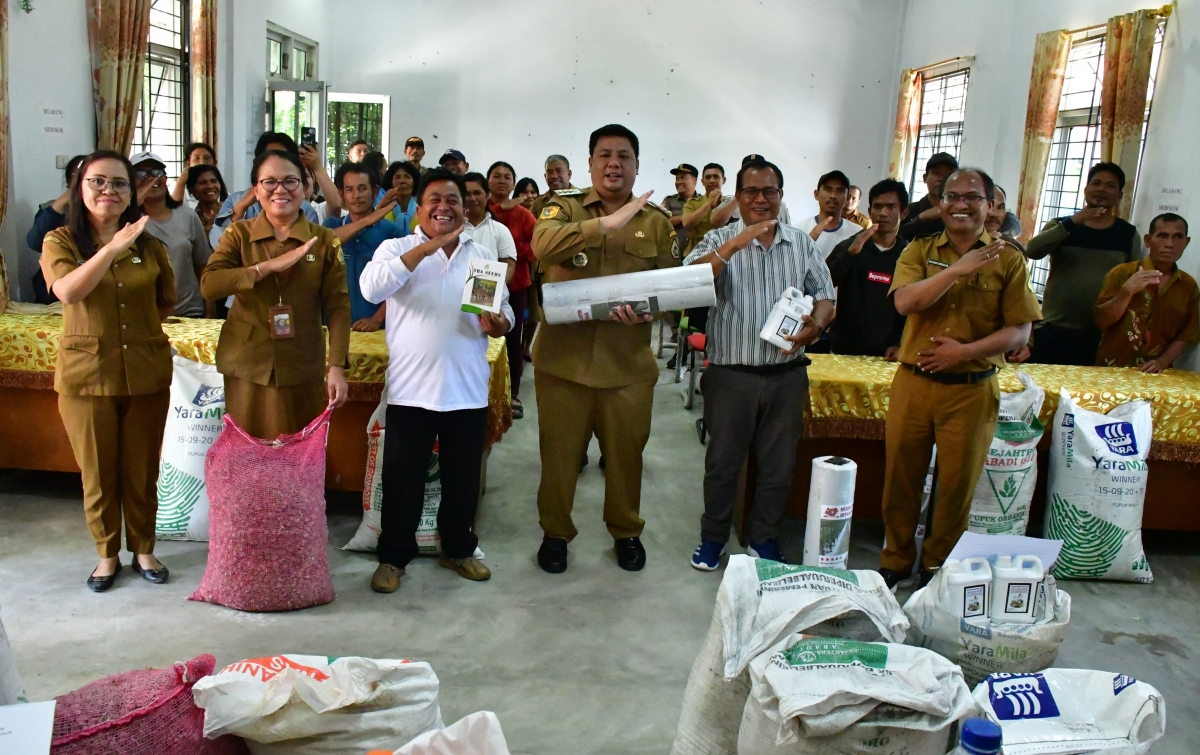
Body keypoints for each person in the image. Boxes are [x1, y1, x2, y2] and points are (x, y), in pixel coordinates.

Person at [879, 168, 1042, 590]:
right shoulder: (918, 248)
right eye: (952, 196)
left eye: (972, 197)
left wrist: (964, 352)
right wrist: (958, 269)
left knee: (956, 489)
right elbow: (904, 302)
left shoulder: (1009, 259)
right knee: (900, 479)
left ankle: (937, 566)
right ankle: (895, 560)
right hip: (914, 385)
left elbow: (1020, 330)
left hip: (972, 390)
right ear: (940, 203)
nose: (961, 205)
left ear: (989, 206)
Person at [531, 123, 678, 574]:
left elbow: (671, 291)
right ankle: (555, 533)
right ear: (591, 162)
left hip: (627, 365)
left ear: (636, 165)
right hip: (562, 364)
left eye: (624, 156)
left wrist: (652, 312)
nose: (614, 164)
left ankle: (626, 531)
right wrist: (605, 224)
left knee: (626, 457)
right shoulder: (562, 207)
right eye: (605, 155)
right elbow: (542, 245)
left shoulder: (656, 222)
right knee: (558, 457)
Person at [359, 169, 513, 593]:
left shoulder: (479, 255)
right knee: (402, 481)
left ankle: (458, 549)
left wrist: (499, 322)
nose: (443, 207)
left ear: (465, 207)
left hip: (465, 389)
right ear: (420, 207)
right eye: (434, 200)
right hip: (411, 391)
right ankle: (393, 558)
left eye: (452, 199)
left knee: (462, 481)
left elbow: (501, 313)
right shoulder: (398, 248)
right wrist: (428, 249)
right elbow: (372, 289)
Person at [683, 158, 835, 569]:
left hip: (786, 376)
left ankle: (763, 538)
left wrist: (815, 327)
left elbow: (825, 295)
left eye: (770, 191)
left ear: (781, 196)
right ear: (738, 197)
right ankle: (712, 539)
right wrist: (735, 244)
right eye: (751, 191)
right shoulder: (719, 238)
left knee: (778, 466)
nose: (761, 199)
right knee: (722, 464)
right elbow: (688, 283)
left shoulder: (801, 243)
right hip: (732, 376)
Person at [40, 150, 176, 591]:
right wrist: (113, 248)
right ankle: (106, 554)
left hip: (144, 372)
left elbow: (165, 302)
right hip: (86, 377)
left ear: (130, 192)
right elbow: (68, 290)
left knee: (141, 470)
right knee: (98, 472)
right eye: (98, 182)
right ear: (80, 188)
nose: (108, 191)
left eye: (119, 183)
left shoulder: (151, 245)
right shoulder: (59, 241)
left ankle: (144, 549)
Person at [200, 149, 351, 440]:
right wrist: (263, 268)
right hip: (247, 363)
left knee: (295, 454)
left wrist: (336, 367)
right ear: (256, 190)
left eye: (290, 181)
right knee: (248, 453)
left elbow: (338, 307)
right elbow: (210, 285)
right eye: (269, 182)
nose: (280, 190)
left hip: (302, 364)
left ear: (305, 188)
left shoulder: (324, 241)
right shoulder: (238, 235)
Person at [1024, 162, 1143, 366]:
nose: (1101, 189)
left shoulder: (1128, 234)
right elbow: (1032, 251)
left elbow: (1132, 280)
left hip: (1101, 332)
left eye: (1109, 185)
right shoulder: (1062, 225)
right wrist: (1073, 222)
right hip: (1054, 328)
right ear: (1086, 190)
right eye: (1096, 183)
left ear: (1120, 195)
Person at [1094, 213, 1199, 372]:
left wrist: (1163, 362)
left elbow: (1187, 334)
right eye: (1162, 236)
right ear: (1148, 240)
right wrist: (1127, 291)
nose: (1170, 244)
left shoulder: (1188, 285)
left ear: (1186, 242)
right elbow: (1101, 321)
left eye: (1178, 236)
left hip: (1155, 374)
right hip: (1111, 369)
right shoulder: (1122, 273)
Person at [827, 179, 909, 359]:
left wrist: (899, 342)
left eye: (891, 207)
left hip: (887, 355)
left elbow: (913, 305)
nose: (883, 213)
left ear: (903, 212)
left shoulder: (909, 254)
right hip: (844, 350)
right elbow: (823, 283)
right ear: (870, 211)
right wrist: (849, 255)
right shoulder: (851, 245)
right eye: (877, 207)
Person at [323, 162, 405, 332]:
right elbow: (325, 244)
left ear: (375, 192)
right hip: (333, 324)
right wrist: (366, 221)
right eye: (349, 189)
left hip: (379, 327)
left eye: (362, 189)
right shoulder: (332, 225)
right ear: (341, 193)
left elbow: (403, 283)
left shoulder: (392, 232)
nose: (356, 195)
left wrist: (377, 319)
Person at [132, 152, 212, 319]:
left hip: (190, 313)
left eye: (157, 173)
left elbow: (203, 267)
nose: (151, 179)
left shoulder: (188, 216)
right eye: (141, 174)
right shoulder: (127, 221)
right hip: (145, 316)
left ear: (165, 178)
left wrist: (210, 312)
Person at [486, 161, 538, 420]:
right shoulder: (479, 210)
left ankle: (513, 393)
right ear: (488, 181)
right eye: (497, 176)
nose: (502, 181)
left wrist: (513, 252)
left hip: (515, 285)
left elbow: (538, 244)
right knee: (479, 334)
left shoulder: (524, 215)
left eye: (508, 177)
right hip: (479, 284)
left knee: (512, 338)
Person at [213, 132, 320, 243]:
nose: (279, 189)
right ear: (256, 163)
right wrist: (242, 207)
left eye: (283, 157)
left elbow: (308, 251)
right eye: (269, 157)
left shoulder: (305, 209)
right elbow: (217, 243)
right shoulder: (235, 200)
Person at [27, 153, 86, 303]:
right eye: (79, 174)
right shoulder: (52, 209)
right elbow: (35, 242)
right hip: (53, 297)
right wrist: (62, 202)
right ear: (68, 181)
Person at [462, 171, 519, 283]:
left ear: (487, 195)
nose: (472, 198)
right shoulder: (450, 230)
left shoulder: (500, 230)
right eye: (467, 194)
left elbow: (509, 267)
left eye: (477, 193)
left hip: (487, 295)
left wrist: (492, 290)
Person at [798, 170, 864, 259]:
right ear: (816, 194)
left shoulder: (857, 234)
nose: (833, 195)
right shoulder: (799, 230)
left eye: (840, 190)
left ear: (847, 197)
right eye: (827, 189)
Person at [899, 151, 958, 240]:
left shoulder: (959, 211)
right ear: (925, 178)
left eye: (948, 175)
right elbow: (895, 240)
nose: (941, 179)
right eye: (936, 173)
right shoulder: (908, 211)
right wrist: (920, 219)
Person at [681, 163, 733, 256]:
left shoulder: (731, 204)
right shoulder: (692, 203)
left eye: (716, 177)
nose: (712, 180)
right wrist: (708, 203)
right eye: (708, 177)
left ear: (723, 180)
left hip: (723, 255)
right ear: (702, 181)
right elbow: (686, 225)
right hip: (695, 256)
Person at [299, 143, 343, 223]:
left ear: (314, 180)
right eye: (295, 178)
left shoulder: (318, 209)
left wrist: (317, 167)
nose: (302, 181)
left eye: (306, 176)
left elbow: (336, 205)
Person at [664, 164, 700, 252]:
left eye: (683, 178)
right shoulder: (669, 201)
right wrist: (685, 217)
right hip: (674, 253)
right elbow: (662, 223)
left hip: (698, 253)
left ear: (694, 180)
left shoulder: (703, 202)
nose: (679, 182)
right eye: (677, 179)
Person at [186, 164, 228, 239]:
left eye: (214, 181)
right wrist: (210, 226)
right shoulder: (190, 221)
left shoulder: (230, 212)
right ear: (192, 189)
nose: (210, 186)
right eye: (203, 183)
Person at [169, 142, 217, 207]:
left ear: (214, 163)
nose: (202, 162)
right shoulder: (176, 186)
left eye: (207, 158)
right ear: (188, 164)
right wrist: (181, 183)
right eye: (197, 158)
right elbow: (171, 209)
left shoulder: (218, 186)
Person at [382, 160, 420, 231]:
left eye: (407, 177)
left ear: (415, 181)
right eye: (397, 177)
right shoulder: (382, 210)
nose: (402, 181)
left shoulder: (422, 211)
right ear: (390, 182)